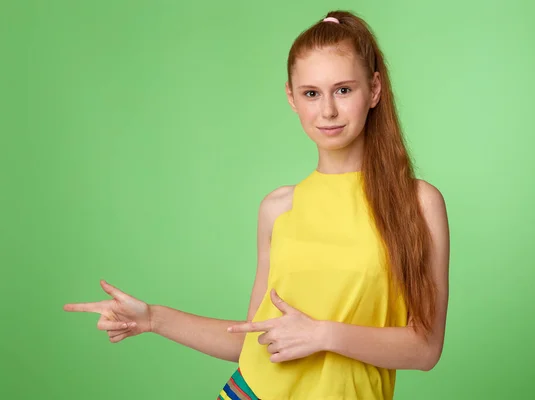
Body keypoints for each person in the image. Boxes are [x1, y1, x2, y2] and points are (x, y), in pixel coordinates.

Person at [63, 10, 450, 400]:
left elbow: (426, 348)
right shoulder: (278, 208)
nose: (327, 110)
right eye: (311, 93)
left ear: (375, 90)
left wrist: (322, 335)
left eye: (344, 90)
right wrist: (152, 318)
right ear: (292, 98)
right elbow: (254, 340)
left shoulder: (418, 203)